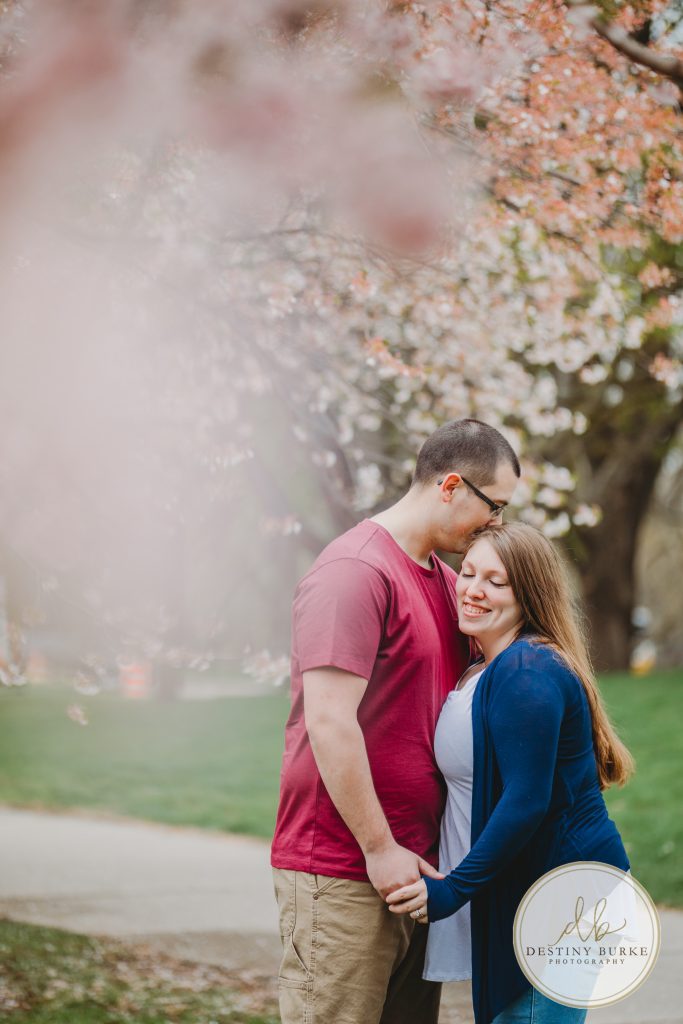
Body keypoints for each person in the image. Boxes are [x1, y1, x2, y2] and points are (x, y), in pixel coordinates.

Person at [270, 419, 521, 1024]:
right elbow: (330, 721)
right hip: (345, 867)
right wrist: (380, 848)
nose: (498, 525)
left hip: (418, 874)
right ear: (452, 486)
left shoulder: (442, 579)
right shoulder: (354, 572)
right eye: (494, 508)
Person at [386, 521, 634, 1024]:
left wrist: (452, 890)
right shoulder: (488, 665)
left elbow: (525, 799)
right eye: (468, 572)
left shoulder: (526, 671)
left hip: (558, 892)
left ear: (530, 595)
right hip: (526, 886)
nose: (473, 590)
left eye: (496, 582)